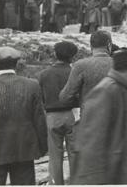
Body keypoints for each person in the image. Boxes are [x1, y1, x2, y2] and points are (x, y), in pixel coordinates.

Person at [72, 48, 127, 184]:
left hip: (121, 170)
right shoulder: (106, 91)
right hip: (108, 174)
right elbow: (92, 141)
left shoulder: (123, 89)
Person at [0, 47, 48, 185]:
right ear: (16, 64)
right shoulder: (32, 85)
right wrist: (43, 147)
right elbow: (39, 120)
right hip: (24, 147)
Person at [38, 42, 79, 184]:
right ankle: (76, 183)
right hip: (73, 114)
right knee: (74, 153)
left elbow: (41, 98)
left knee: (55, 155)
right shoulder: (75, 71)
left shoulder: (44, 74)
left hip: (52, 116)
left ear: (55, 54)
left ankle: (56, 183)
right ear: (73, 56)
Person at [59, 30, 113, 111]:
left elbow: (65, 98)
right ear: (109, 45)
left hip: (89, 116)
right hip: (115, 118)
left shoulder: (81, 65)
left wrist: (82, 101)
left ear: (91, 46)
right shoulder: (119, 64)